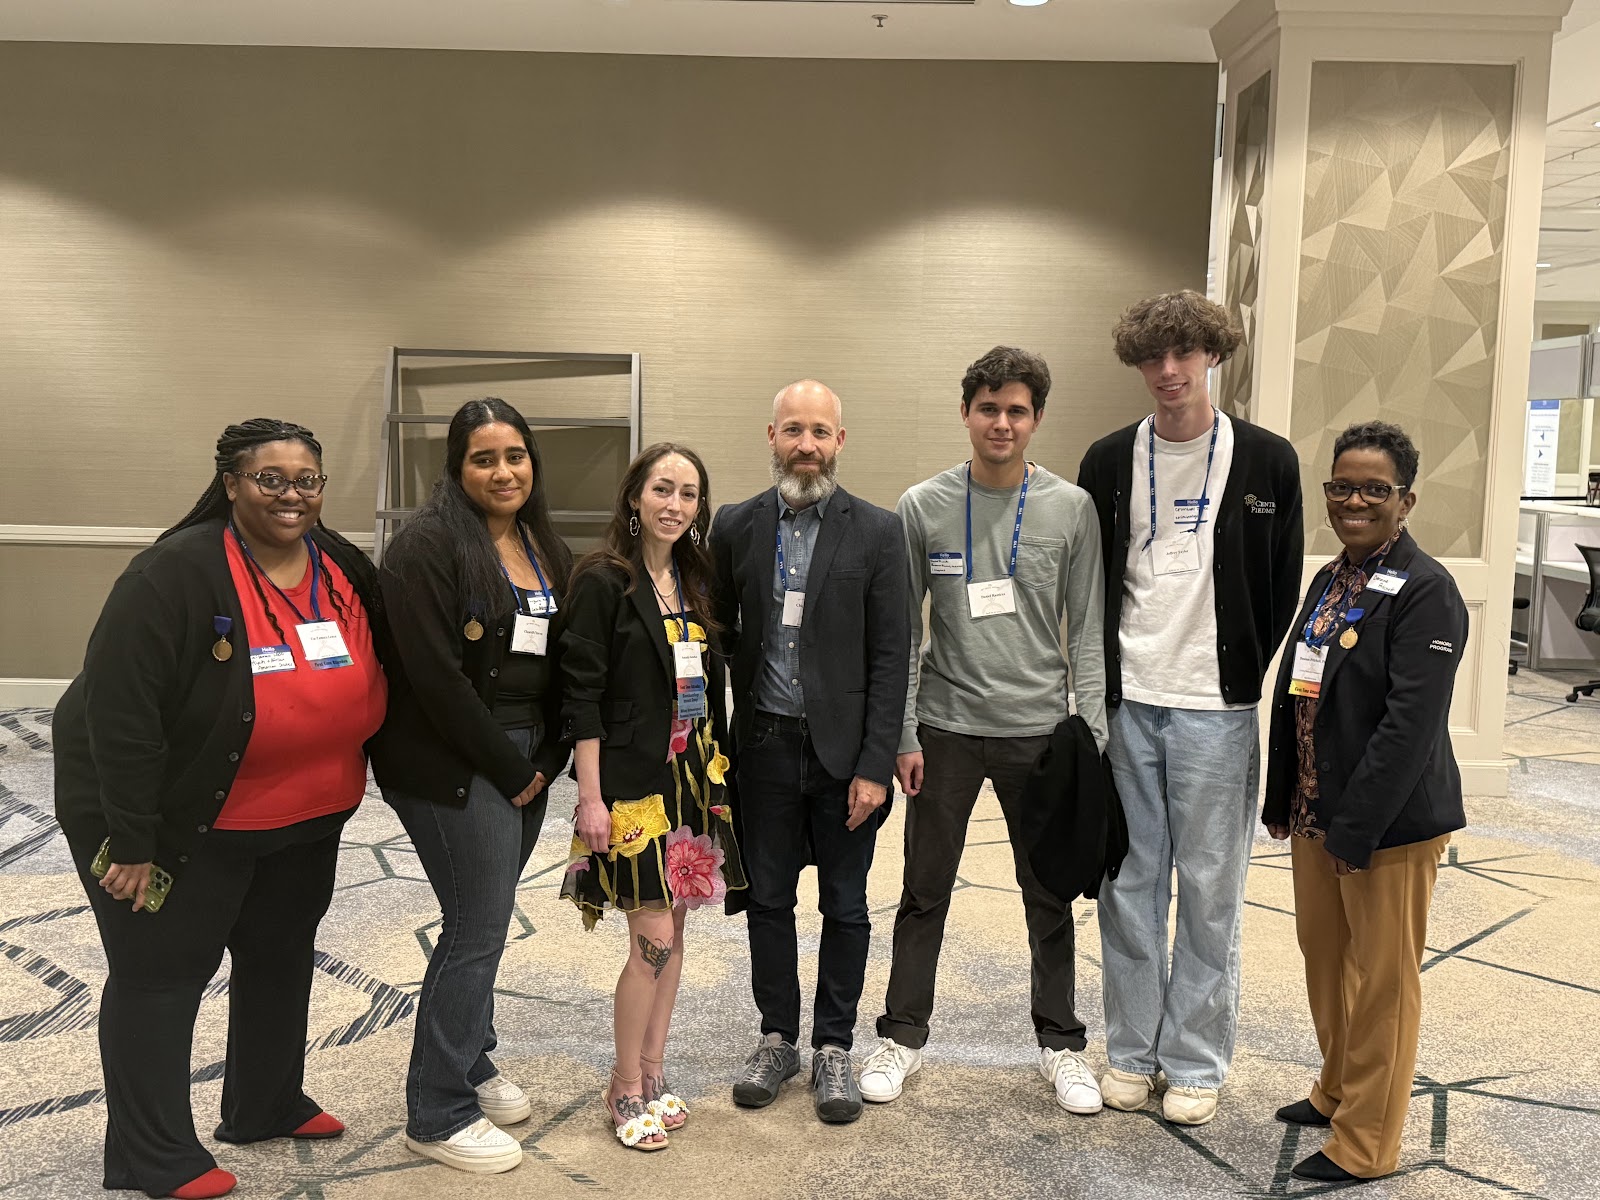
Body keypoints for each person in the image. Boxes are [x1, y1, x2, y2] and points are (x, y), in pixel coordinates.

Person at [53, 419, 388, 1200]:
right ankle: (151, 1154)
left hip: (307, 816)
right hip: (179, 820)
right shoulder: (172, 574)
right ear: (231, 482)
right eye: (270, 479)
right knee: (160, 976)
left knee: (279, 958)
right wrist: (131, 840)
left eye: (307, 479)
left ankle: (265, 1102)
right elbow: (121, 717)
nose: (291, 495)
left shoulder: (338, 561)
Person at [859, 346, 1110, 1116]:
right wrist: (903, 732)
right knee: (923, 889)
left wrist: (1092, 734)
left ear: (1036, 419)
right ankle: (902, 1035)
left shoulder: (1070, 509)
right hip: (945, 728)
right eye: (989, 408)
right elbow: (901, 634)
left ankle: (1062, 1046)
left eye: (1018, 410)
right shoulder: (922, 505)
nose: (1002, 422)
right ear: (966, 411)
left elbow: (1089, 628)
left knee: (1050, 893)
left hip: (1039, 732)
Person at [1077, 290, 1303, 1126]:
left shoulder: (1268, 461)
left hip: (1216, 708)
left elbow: (1280, 584)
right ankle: (1133, 1053)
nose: (1168, 373)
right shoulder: (1106, 459)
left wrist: (1238, 666)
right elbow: (1095, 577)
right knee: (1129, 883)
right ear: (1137, 364)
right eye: (1152, 358)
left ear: (1213, 355)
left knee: (1211, 890)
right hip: (1130, 700)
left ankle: (1197, 1061)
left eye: (1184, 355)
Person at [372, 398, 573, 1175]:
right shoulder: (424, 548)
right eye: (483, 458)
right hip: (454, 765)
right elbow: (436, 682)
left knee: (482, 919)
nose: (503, 471)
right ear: (456, 469)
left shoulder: (540, 542)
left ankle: (474, 1059)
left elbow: (564, 661)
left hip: (524, 758)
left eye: (515, 455)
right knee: (476, 928)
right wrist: (514, 768)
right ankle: (438, 1109)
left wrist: (548, 755)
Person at [1263, 421, 1466, 1183]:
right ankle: (1338, 1087)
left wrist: (1357, 829)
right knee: (1327, 962)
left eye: (1374, 489)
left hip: (1384, 827)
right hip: (1320, 815)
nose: (1354, 500)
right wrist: (1289, 798)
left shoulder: (1428, 591)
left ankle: (1368, 1141)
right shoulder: (1333, 576)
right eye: (1342, 486)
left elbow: (1409, 729)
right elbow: (1301, 691)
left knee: (1383, 979)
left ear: (1405, 500)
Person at [710, 380, 910, 1124]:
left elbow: (894, 655)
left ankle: (833, 1046)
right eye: (793, 429)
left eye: (820, 431)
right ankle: (776, 1037)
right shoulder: (734, 525)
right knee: (766, 898)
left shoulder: (877, 531)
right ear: (771, 435)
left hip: (843, 755)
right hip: (761, 745)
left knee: (846, 904)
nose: (806, 445)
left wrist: (874, 765)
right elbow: (718, 632)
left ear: (840, 441)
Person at [558, 442, 747, 1152]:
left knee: (677, 932)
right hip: (634, 787)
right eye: (662, 489)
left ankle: (654, 1069)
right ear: (635, 496)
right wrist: (590, 798)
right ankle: (623, 1085)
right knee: (654, 942)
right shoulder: (604, 580)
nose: (675, 505)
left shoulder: (694, 581)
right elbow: (581, 694)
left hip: (694, 777)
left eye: (689, 494)